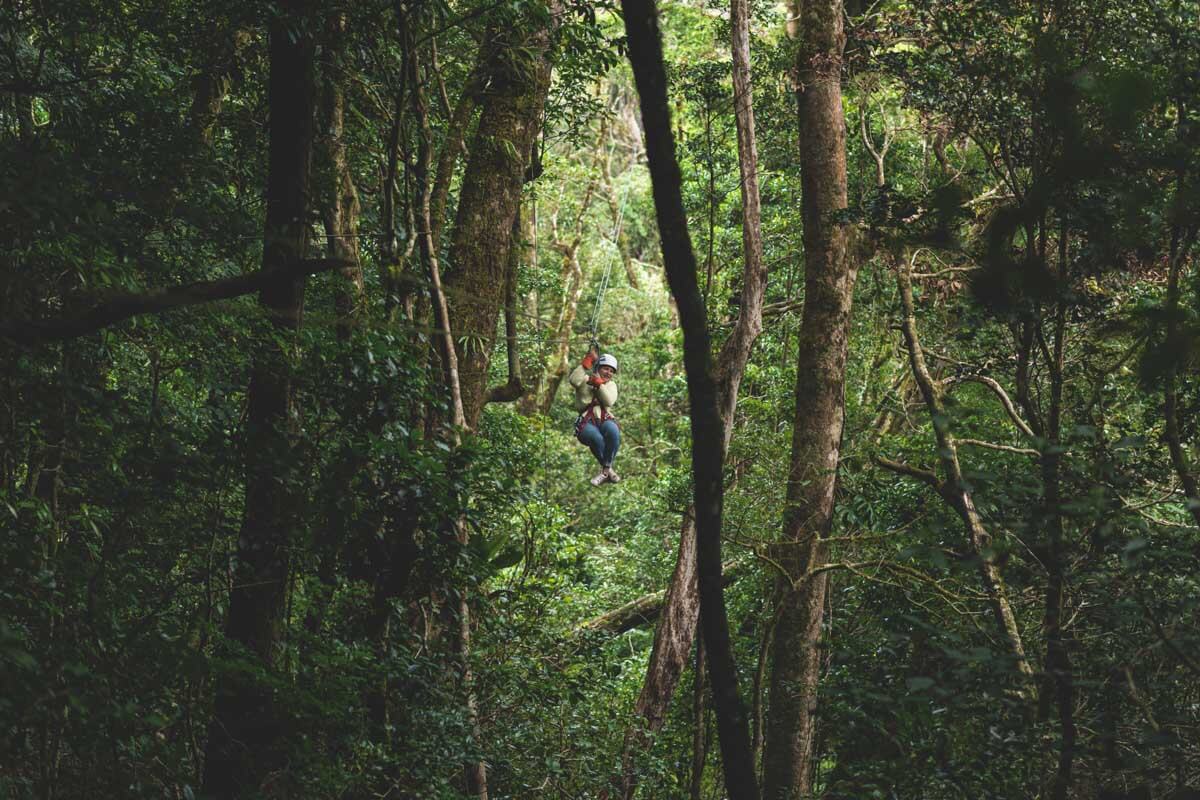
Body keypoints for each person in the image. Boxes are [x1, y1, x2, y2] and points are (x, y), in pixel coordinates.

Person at [569, 345, 621, 486]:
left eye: (611, 371)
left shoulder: (611, 386)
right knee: (595, 438)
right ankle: (608, 471)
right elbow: (573, 380)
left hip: (604, 418)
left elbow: (608, 400)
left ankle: (605, 470)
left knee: (613, 432)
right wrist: (586, 363)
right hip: (586, 420)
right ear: (598, 368)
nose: (608, 373)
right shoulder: (585, 379)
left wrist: (599, 385)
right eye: (605, 368)